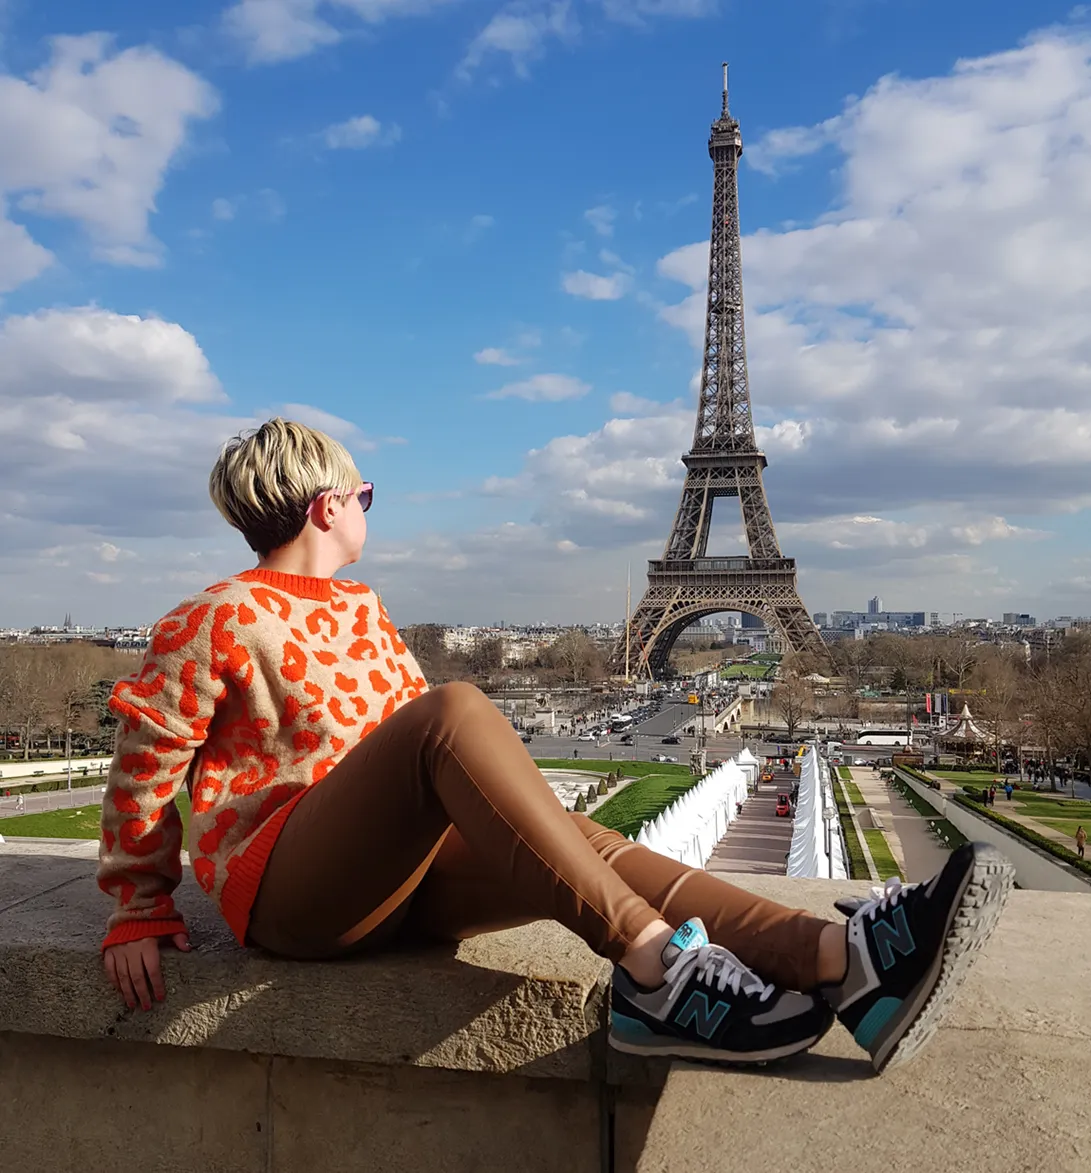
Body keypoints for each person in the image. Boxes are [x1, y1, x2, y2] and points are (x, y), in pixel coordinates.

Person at [97, 419, 1013, 1075]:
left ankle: (838, 959)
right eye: (368, 494)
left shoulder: (362, 611)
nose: (370, 509)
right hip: (288, 892)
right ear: (328, 504)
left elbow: (423, 769)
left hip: (383, 881)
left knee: (585, 847)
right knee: (455, 708)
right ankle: (655, 968)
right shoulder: (216, 614)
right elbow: (146, 758)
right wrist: (139, 906)